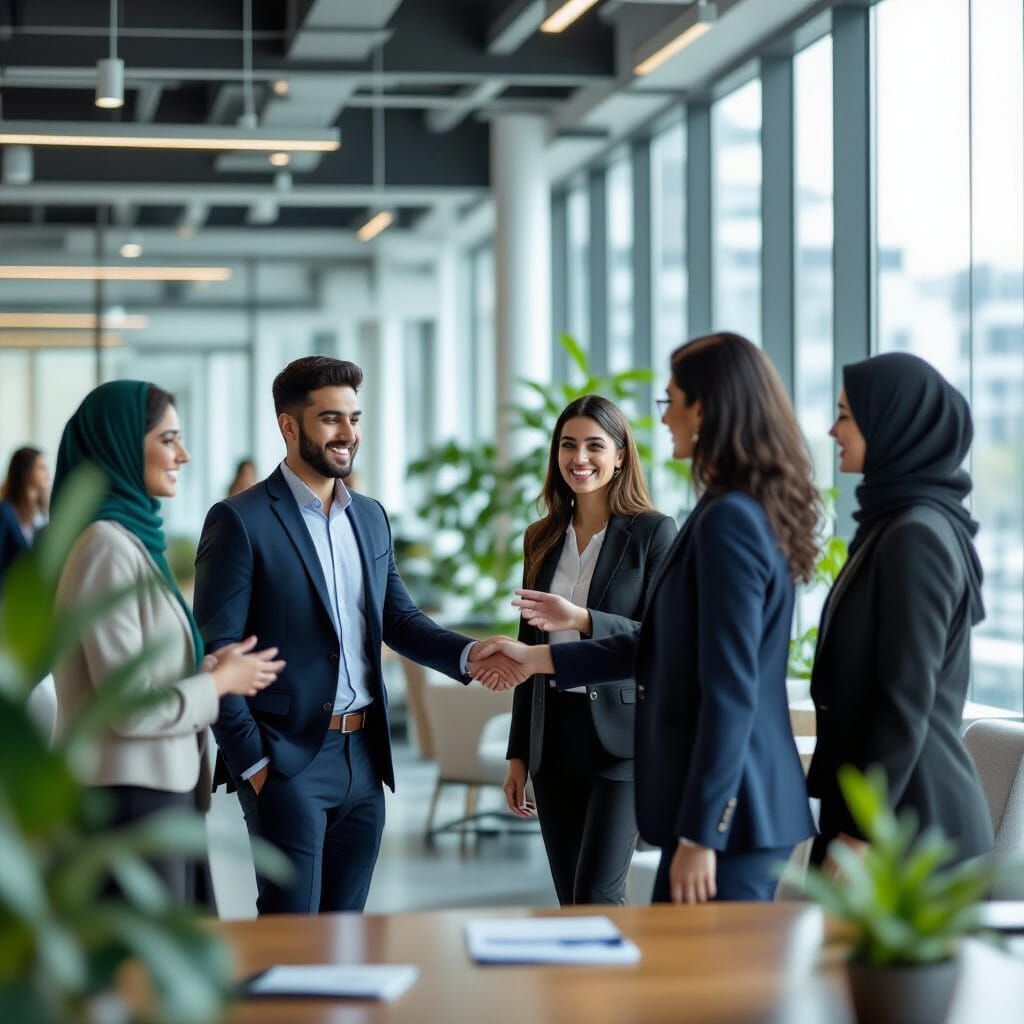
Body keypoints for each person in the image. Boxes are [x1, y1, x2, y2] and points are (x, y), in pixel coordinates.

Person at [476, 333, 819, 903]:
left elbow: (730, 688)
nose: (664, 419)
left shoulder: (724, 520)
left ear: (704, 409)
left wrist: (702, 831)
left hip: (732, 810)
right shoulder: (726, 509)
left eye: (671, 401)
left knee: (697, 980)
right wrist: (535, 657)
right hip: (717, 805)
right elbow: (662, 645)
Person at [193, 356, 515, 915]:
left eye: (355, 418)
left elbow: (399, 620)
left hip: (364, 759)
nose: (348, 434)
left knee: (349, 934)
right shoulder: (240, 520)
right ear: (289, 427)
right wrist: (256, 767)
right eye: (331, 419)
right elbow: (216, 653)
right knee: (292, 934)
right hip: (287, 760)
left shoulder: (369, 517)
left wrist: (469, 653)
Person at [50, 380, 285, 905]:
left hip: (159, 793)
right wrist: (220, 681)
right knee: (144, 980)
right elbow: (130, 707)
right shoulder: (105, 548)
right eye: (168, 439)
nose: (184, 454)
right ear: (122, 444)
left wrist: (207, 667)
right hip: (129, 804)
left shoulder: (130, 541)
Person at [807, 353, 994, 867]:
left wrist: (866, 833)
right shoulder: (895, 525)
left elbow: (904, 701)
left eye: (845, 415)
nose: (831, 429)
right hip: (884, 815)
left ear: (893, 422)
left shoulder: (916, 535)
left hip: (909, 827)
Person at [503, 395, 675, 905]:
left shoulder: (652, 533)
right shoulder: (541, 537)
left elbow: (663, 636)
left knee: (598, 895)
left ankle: (619, 986)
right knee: (571, 900)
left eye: (595, 446)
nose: (580, 458)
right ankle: (585, 986)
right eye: (568, 445)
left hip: (622, 741)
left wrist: (581, 619)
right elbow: (527, 648)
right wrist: (518, 753)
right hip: (552, 737)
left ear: (620, 455)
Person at [0, 445, 50, 588]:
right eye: (42, 468)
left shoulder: (42, 515)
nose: (48, 474)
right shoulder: (5, 512)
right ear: (26, 471)